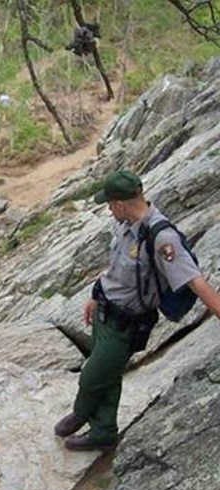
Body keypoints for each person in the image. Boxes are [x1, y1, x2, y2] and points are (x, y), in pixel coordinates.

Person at [54, 169, 220, 452]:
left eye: (109, 204)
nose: (108, 209)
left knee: (92, 376)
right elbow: (116, 266)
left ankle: (82, 412)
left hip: (126, 325)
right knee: (107, 375)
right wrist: (96, 295)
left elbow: (195, 280)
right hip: (104, 313)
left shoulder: (160, 236)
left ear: (119, 204)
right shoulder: (126, 224)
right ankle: (103, 432)